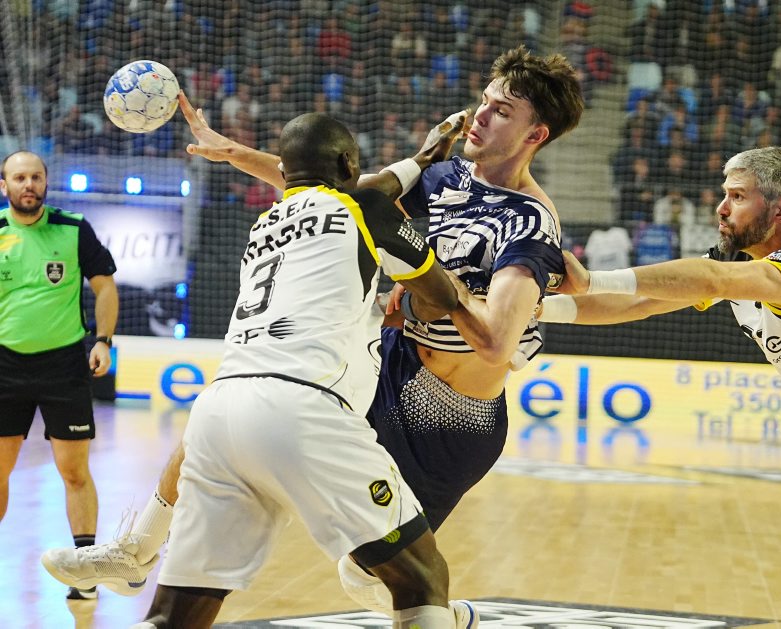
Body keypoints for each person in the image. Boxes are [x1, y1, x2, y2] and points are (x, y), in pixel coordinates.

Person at [42, 45, 583, 617]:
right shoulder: (444, 177)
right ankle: (138, 548)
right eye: (484, 100)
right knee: (239, 404)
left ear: (535, 134)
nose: (480, 114)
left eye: (501, 111)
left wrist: (433, 295)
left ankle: (443, 616)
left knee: (371, 575)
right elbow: (335, 190)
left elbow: (496, 342)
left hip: (451, 418)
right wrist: (234, 152)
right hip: (388, 368)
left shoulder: (530, 221)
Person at [539, 146, 781, 629]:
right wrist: (533, 310)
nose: (721, 208)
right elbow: (636, 304)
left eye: (737, 196)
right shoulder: (738, 262)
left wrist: (591, 279)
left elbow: (712, 278)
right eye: (724, 194)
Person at [127, 112, 465, 629]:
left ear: (284, 172)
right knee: (421, 577)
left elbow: (366, 194)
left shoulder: (265, 223)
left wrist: (420, 160)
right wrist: (402, 304)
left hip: (217, 415)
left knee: (176, 614)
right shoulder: (365, 209)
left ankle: (136, 555)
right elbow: (442, 299)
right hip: (302, 405)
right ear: (348, 163)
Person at [0, 151, 118, 600]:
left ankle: (85, 574)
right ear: (4, 186)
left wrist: (103, 340)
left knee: (74, 471)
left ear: (46, 182)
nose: (28, 184)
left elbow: (104, 285)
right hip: (5, 365)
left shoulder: (73, 228)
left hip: (64, 365)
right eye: (19, 177)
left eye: (35, 176)